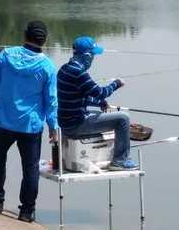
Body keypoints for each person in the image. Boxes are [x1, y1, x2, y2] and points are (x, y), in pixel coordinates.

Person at [0, 21, 58, 223]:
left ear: (24, 35)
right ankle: (27, 211)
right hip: (30, 125)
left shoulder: (6, 55)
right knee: (30, 168)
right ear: (44, 40)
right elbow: (51, 101)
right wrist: (53, 126)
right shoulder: (47, 66)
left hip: (4, 121)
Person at [57, 36, 138, 171]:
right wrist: (116, 83)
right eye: (93, 55)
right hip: (76, 125)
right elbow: (101, 92)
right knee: (123, 119)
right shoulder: (79, 73)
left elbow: (80, 96)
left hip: (66, 124)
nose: (93, 58)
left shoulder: (64, 69)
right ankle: (120, 160)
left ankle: (117, 156)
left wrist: (98, 103)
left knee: (105, 114)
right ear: (87, 56)